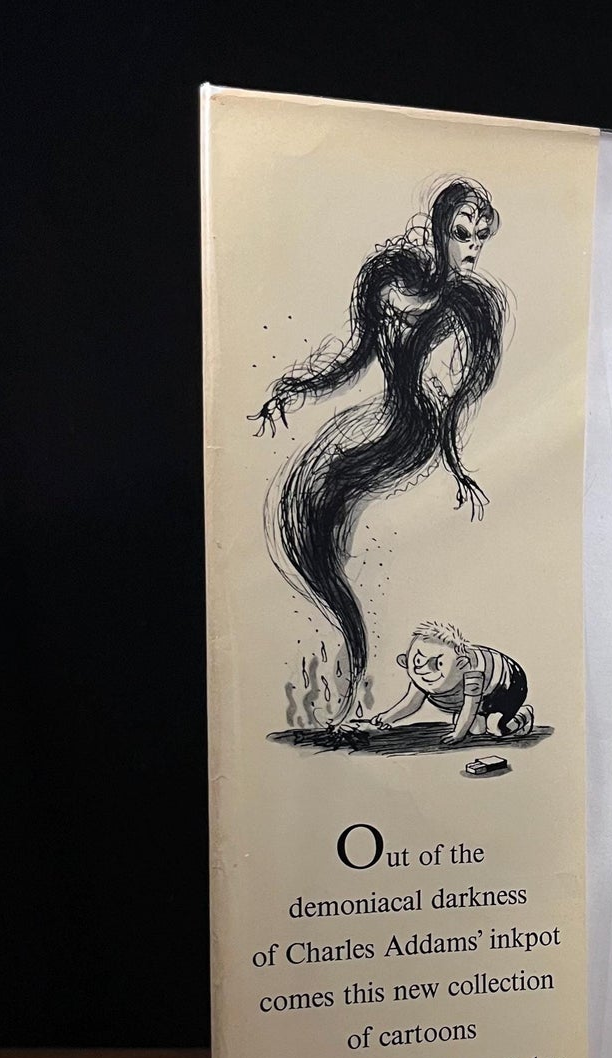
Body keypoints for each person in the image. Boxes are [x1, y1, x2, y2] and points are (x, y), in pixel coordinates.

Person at [252, 179, 508, 722]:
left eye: (480, 237)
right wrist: (299, 387)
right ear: (439, 229)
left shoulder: (476, 309)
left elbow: (455, 402)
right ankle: (337, 670)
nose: (471, 248)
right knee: (305, 501)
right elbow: (357, 355)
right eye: (461, 233)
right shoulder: (390, 275)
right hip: (385, 416)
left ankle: (349, 675)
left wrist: (456, 464)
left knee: (330, 505)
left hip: (412, 436)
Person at [359, 621, 533, 746]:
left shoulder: (473, 674)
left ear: (461, 665)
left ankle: (524, 714)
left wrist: (458, 734)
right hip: (483, 698)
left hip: (507, 688)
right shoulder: (421, 678)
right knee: (477, 730)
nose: (424, 669)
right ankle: (481, 718)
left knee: (497, 729)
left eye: (437, 664)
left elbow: (469, 707)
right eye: (418, 661)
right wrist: (387, 718)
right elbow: (411, 702)